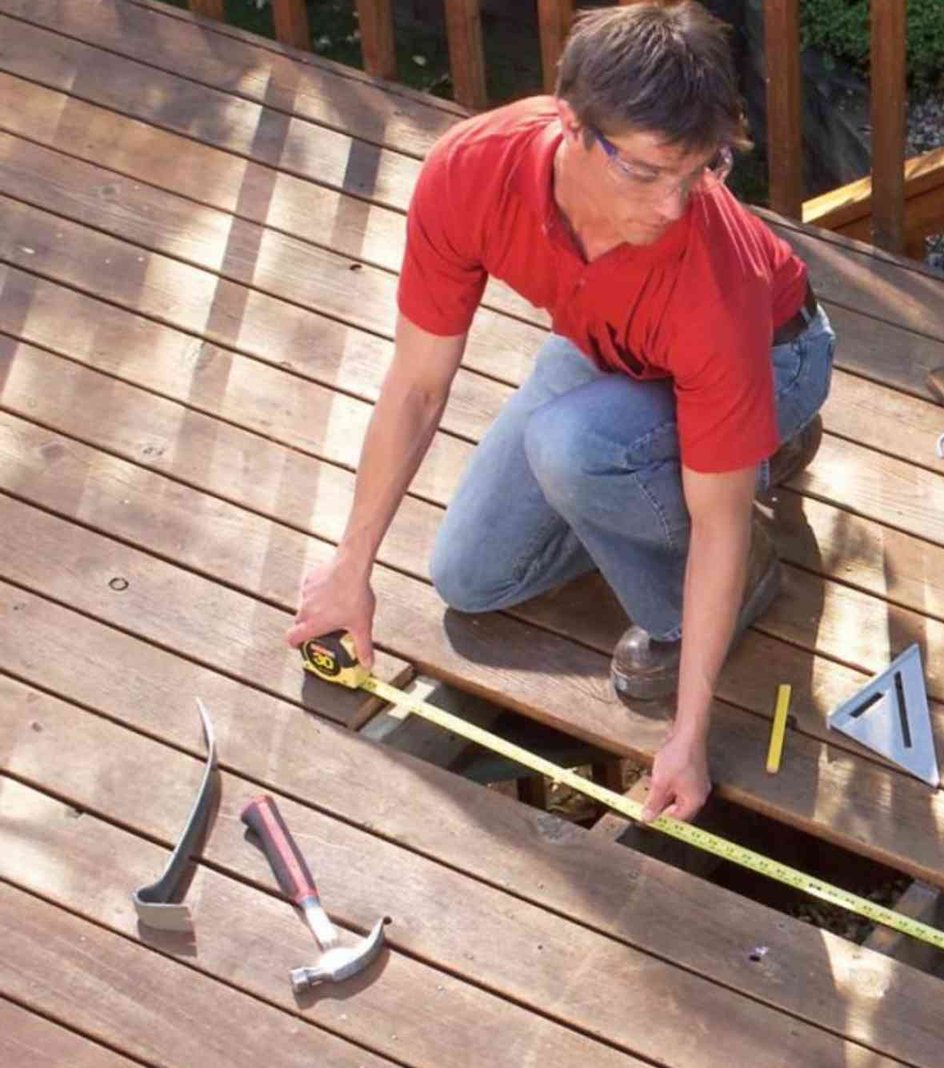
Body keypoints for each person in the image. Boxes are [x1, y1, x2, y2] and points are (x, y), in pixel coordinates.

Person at [285, 0, 834, 825]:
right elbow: (417, 386)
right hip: (609, 344)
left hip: (774, 353)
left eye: (699, 173)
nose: (671, 205)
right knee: (470, 578)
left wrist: (688, 733)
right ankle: (690, 458)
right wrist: (348, 568)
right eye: (646, 172)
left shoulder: (710, 280)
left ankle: (750, 535)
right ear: (571, 124)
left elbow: (715, 523)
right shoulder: (472, 169)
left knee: (576, 448)